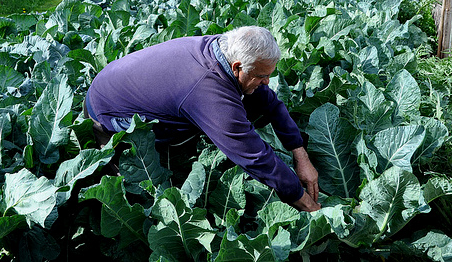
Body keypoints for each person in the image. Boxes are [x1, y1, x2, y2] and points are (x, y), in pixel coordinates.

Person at [85, 26, 321, 212]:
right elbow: (256, 157)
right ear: (238, 67)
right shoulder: (207, 90)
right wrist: (306, 203)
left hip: (125, 82)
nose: (267, 82)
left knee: (249, 97)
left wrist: (301, 157)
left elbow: (270, 102)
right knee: (142, 192)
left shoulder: (224, 48)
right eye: (262, 76)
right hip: (110, 112)